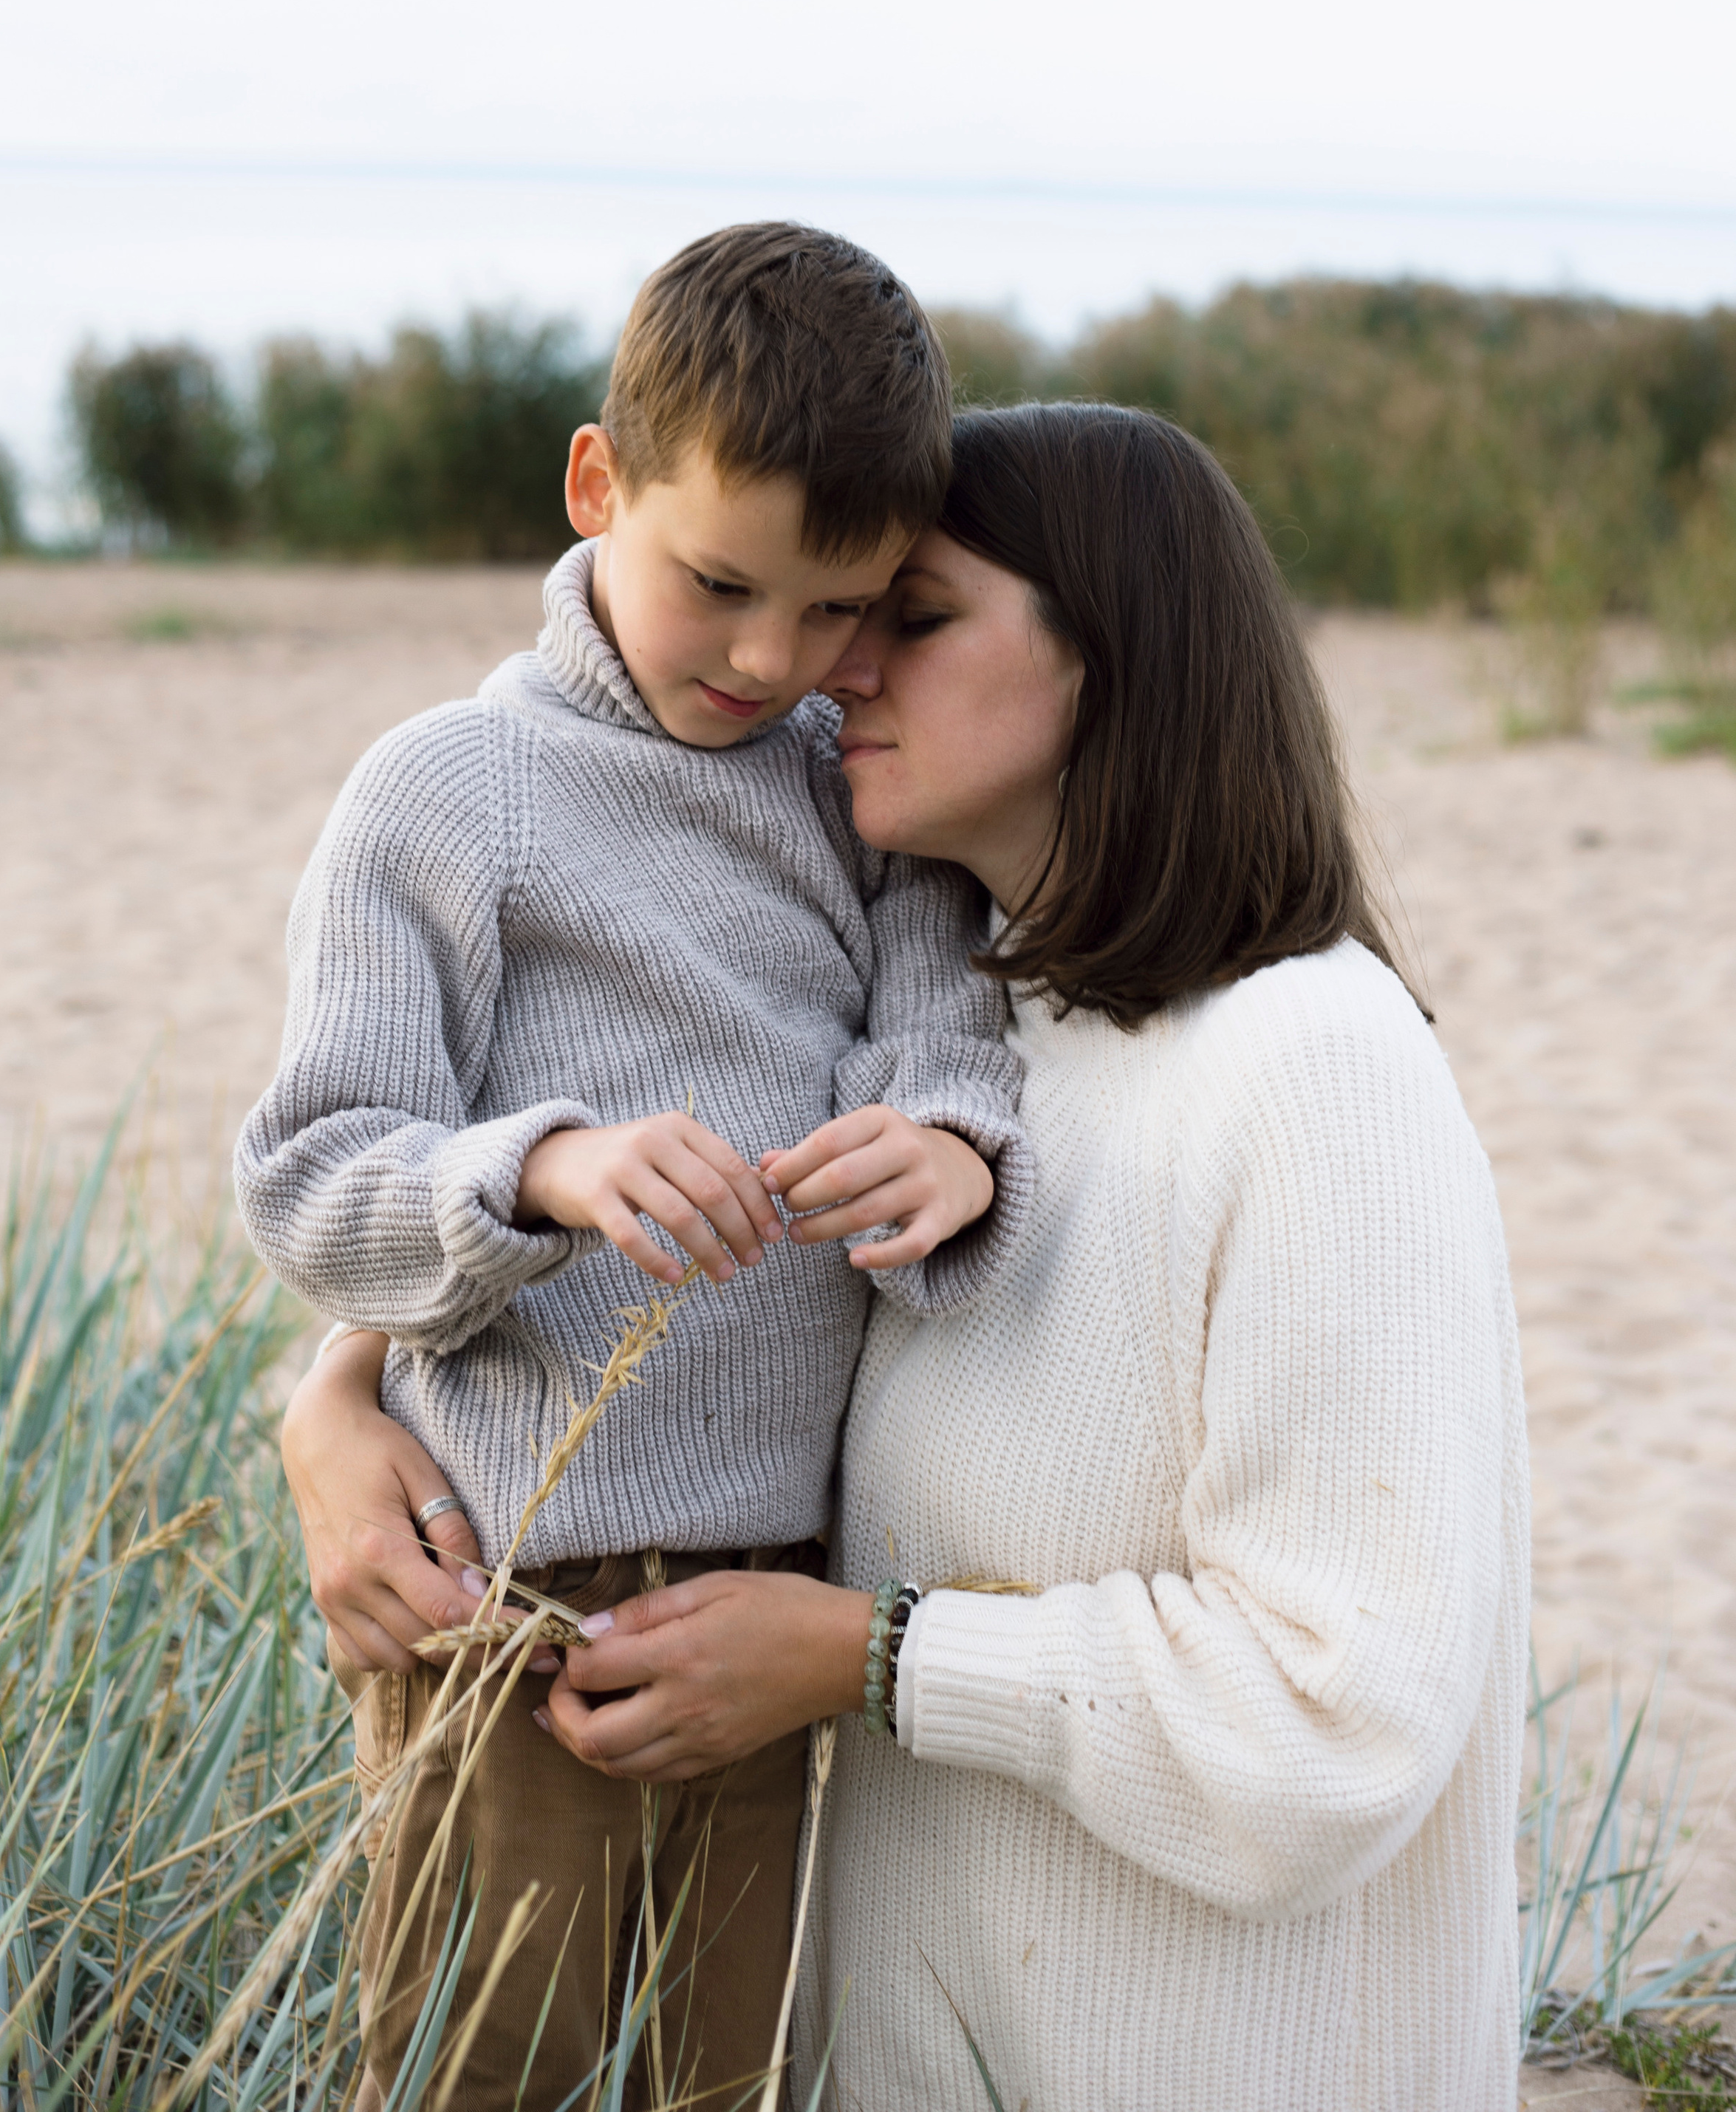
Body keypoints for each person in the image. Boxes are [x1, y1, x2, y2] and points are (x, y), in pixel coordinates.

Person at [287, 399, 1530, 2112]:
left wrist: (865, 1655)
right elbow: (651, 1277)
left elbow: (1336, 1723)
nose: (829, 667)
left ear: (1118, 659)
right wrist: (337, 1401)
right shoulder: (964, 1051)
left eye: (908, 615)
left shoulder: (1310, 1064)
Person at [235, 223, 1033, 2112]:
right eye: (718, 585)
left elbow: (943, 1029)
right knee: (473, 2070)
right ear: (597, 486)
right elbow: (309, 1176)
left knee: (726, 2071)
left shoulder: (849, 777)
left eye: (839, 609)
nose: (773, 660)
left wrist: (948, 1146)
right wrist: (543, 1168)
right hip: (503, 1588)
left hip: (784, 1588)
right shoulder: (446, 792)